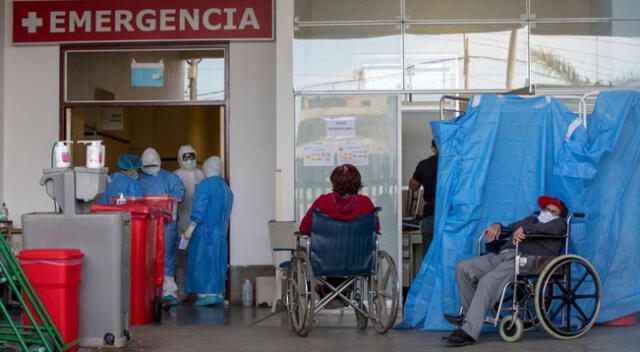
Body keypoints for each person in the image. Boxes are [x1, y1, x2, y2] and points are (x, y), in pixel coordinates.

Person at [441, 195, 568, 347]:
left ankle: (469, 332)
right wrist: (497, 225)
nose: (549, 213)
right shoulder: (531, 220)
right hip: (503, 255)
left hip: (524, 260)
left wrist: (526, 229)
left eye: (554, 212)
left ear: (560, 216)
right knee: (463, 267)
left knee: (487, 281)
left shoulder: (559, 224)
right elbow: (510, 227)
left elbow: (552, 227)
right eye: (547, 210)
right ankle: (469, 317)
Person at [299, 164, 379, 309]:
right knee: (345, 251)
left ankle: (326, 292)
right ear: (358, 182)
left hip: (325, 260)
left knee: (304, 250)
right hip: (358, 261)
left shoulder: (323, 202)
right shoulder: (365, 203)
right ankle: (340, 294)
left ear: (333, 182)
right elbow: (376, 229)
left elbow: (304, 228)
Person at [138, 147, 186, 306]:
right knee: (146, 258)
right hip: (145, 226)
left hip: (167, 226)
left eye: (154, 165)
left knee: (166, 257)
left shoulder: (170, 178)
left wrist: (174, 198)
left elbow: (180, 191)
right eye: (148, 166)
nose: (151, 168)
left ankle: (168, 292)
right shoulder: (138, 179)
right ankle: (148, 292)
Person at [183, 156, 233, 306]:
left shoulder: (205, 186)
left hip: (204, 232)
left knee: (203, 263)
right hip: (220, 233)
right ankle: (217, 293)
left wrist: (190, 229)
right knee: (218, 262)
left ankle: (206, 294)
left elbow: (199, 209)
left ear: (206, 169)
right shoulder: (226, 188)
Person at [409, 139, 438, 255]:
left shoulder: (424, 164)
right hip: (452, 217)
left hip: (430, 215)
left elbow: (413, 186)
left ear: (433, 148)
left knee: (429, 258)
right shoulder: (456, 164)